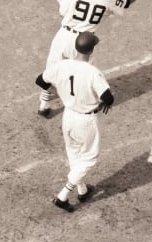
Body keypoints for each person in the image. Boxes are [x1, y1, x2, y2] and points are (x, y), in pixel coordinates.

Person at [38, 0, 147, 117]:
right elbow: (127, 2)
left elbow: (62, 11)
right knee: (80, 73)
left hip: (63, 36)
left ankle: (44, 105)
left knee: (51, 71)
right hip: (83, 42)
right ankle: (80, 102)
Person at [35, 32, 114, 212]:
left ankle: (82, 189)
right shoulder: (93, 72)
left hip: (68, 116)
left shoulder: (61, 66)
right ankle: (63, 194)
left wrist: (59, 91)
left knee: (74, 154)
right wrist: (104, 104)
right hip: (86, 121)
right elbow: (108, 97)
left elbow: (40, 81)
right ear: (91, 50)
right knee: (89, 159)